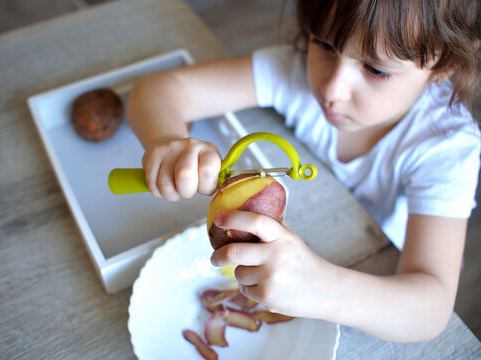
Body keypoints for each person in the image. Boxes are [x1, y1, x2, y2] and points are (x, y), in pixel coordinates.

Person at [126, 0, 480, 342]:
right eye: (324, 44)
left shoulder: (447, 145)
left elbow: (430, 309)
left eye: (376, 70)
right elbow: (156, 90)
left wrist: (322, 288)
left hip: (380, 278)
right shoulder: (293, 69)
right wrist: (168, 140)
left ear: (443, 65)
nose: (331, 89)